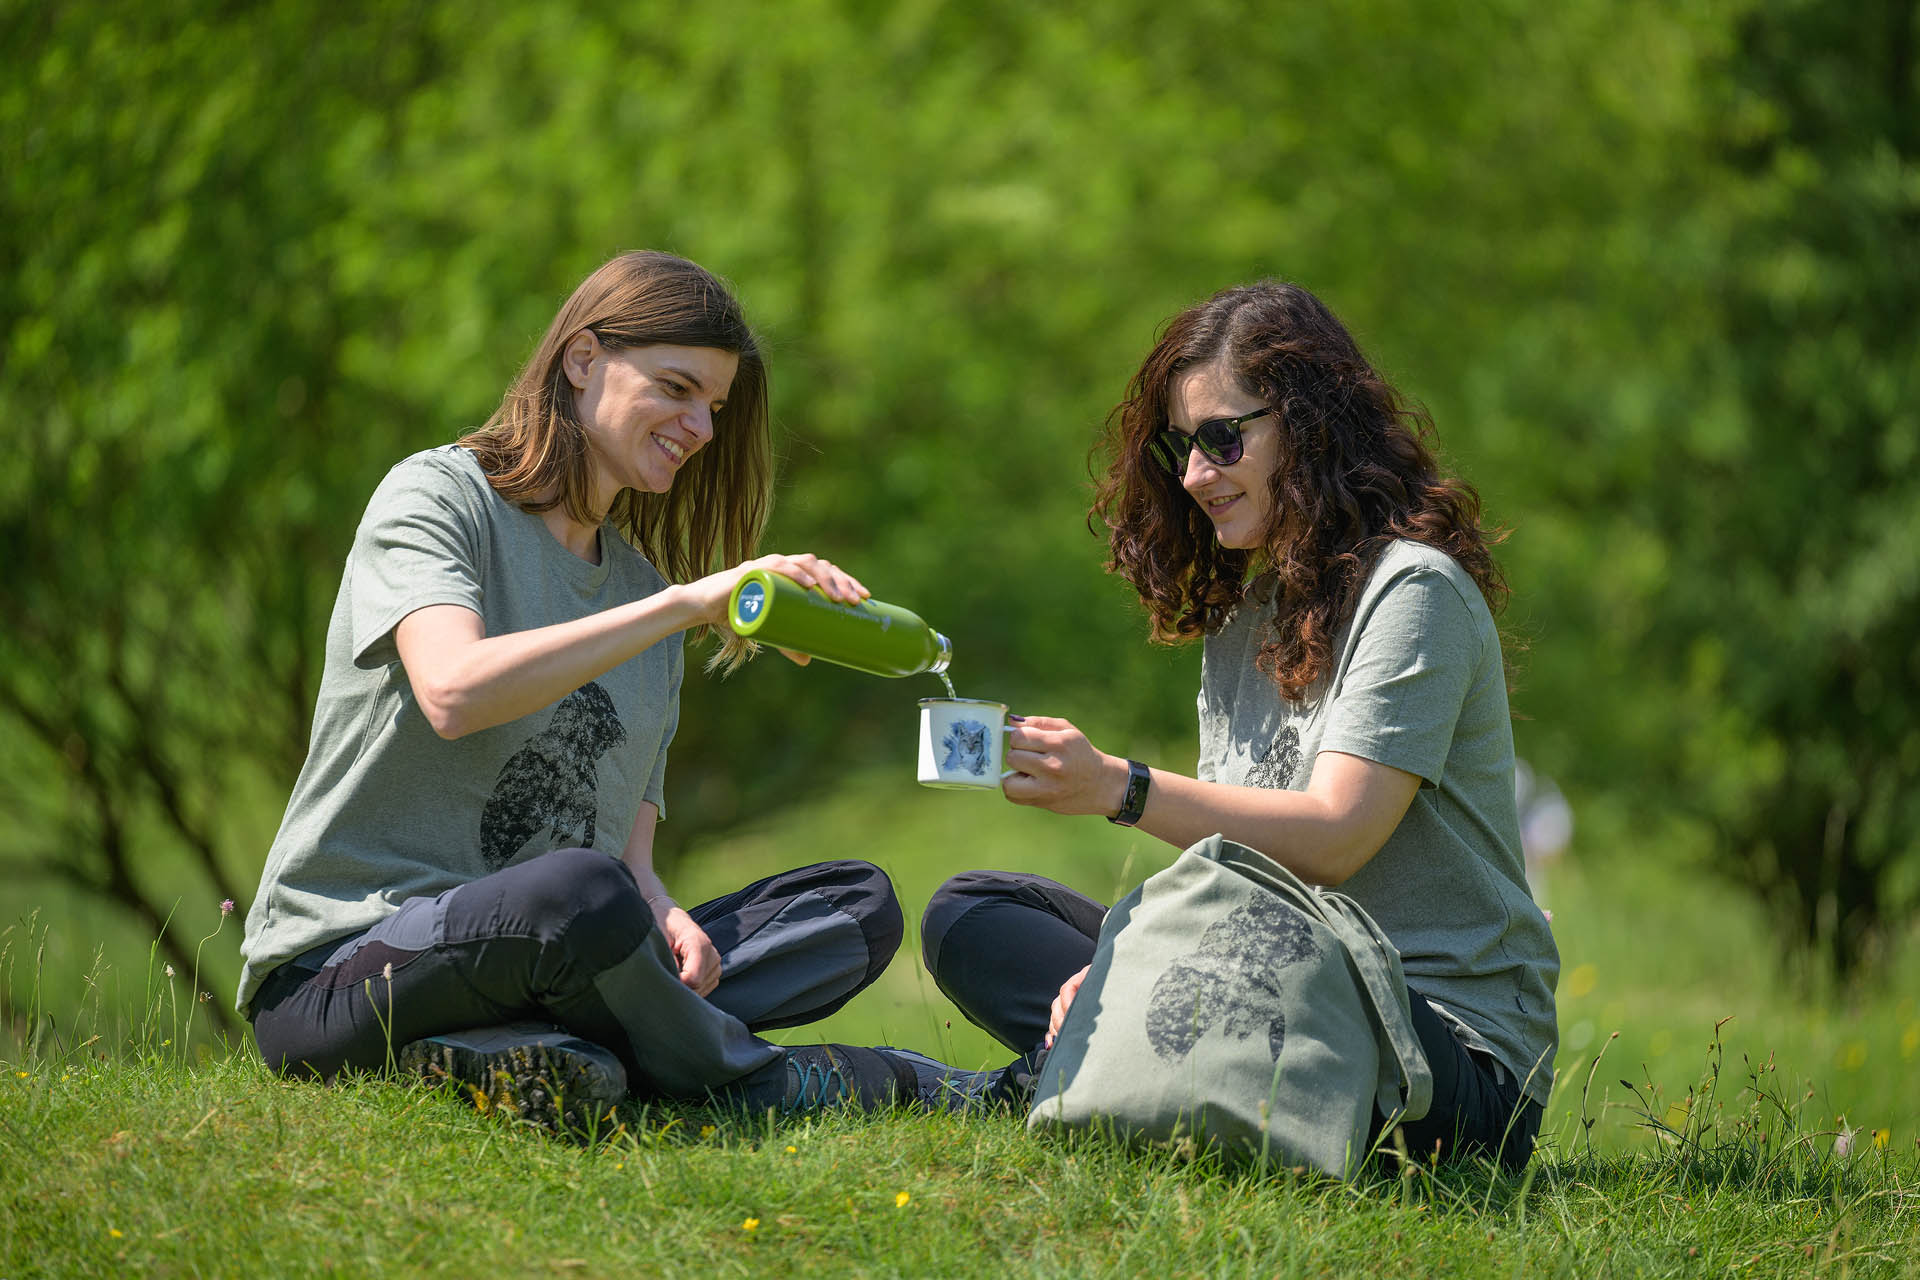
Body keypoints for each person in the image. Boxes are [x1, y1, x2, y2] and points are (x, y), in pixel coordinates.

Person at [239, 251, 961, 1130]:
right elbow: (453, 691)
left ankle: (555, 1057)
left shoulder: (641, 597)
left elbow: (630, 863)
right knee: (574, 897)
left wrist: (666, 918)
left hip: (556, 948)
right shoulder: (437, 497)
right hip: (350, 967)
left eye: (714, 407)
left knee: (852, 905)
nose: (699, 426)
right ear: (583, 360)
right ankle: (760, 1081)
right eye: (676, 387)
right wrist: (684, 605)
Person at [920, 281, 1560, 1169]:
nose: (1194, 475)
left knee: (1242, 970)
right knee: (974, 914)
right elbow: (1237, 877)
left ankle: (1026, 1082)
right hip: (1278, 969)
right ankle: (1096, 1057)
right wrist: (1119, 958)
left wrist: (1120, 788)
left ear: (1313, 425)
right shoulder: (1245, 617)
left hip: (1442, 1055)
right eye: (1183, 446)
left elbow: (1336, 839)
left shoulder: (1414, 592)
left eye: (1223, 438)